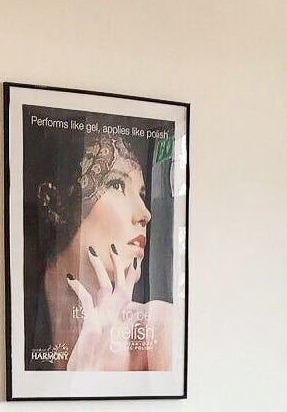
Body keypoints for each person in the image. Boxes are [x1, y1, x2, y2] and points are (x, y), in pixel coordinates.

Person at [22, 118, 174, 372]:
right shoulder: (18, 325)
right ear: (54, 201)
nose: (145, 213)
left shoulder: (158, 327)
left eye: (142, 193)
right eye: (116, 184)